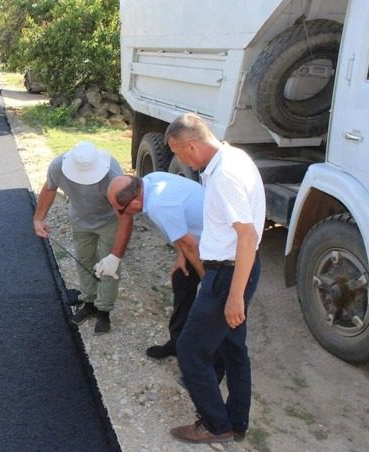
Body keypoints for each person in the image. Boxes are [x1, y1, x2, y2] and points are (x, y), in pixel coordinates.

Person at [163, 112, 265, 444]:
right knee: (233, 348)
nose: (179, 159)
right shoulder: (232, 156)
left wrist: (235, 296)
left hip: (229, 274)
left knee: (191, 350)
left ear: (191, 145)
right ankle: (237, 423)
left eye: (178, 152)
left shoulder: (225, 176)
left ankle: (215, 425)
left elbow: (246, 236)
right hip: (236, 269)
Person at [102, 173, 206, 361]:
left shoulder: (159, 205)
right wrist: (181, 256)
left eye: (120, 210)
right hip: (194, 241)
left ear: (133, 205)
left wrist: (207, 282)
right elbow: (179, 226)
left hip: (215, 247)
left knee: (213, 303)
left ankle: (209, 366)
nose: (119, 214)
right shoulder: (150, 181)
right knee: (181, 280)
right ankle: (177, 342)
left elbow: (192, 245)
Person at [33, 141, 123, 334]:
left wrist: (116, 255)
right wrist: (38, 218)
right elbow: (49, 188)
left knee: (108, 267)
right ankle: (89, 301)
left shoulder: (112, 173)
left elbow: (124, 214)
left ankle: (104, 310)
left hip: (110, 221)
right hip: (80, 220)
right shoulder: (58, 167)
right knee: (84, 259)